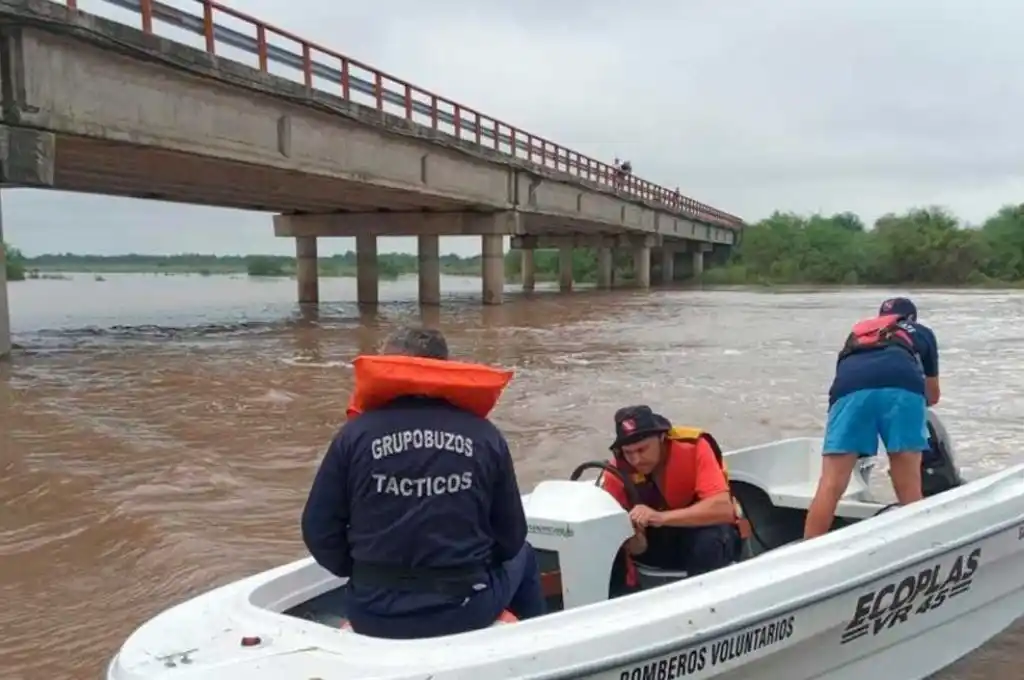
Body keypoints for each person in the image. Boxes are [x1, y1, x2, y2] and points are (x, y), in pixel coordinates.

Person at [301, 327, 545, 639]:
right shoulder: (485, 436)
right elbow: (511, 535)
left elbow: (318, 530)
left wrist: (362, 573)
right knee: (525, 553)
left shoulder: (354, 436)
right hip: (466, 609)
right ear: (444, 367)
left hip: (372, 612)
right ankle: (535, 646)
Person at [804, 297, 941, 539]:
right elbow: (933, 395)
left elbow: (845, 372)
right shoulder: (920, 332)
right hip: (902, 386)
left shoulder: (858, 334)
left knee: (831, 484)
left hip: (849, 390)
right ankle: (921, 544)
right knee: (908, 485)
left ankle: (807, 549)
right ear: (911, 318)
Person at [599, 405, 740, 593]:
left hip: (702, 533)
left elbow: (723, 510)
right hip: (657, 545)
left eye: (642, 449)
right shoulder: (616, 472)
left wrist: (660, 517)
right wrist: (635, 537)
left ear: (661, 438)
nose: (636, 460)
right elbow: (635, 549)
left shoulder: (694, 446)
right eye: (628, 453)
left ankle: (704, 600)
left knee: (709, 542)